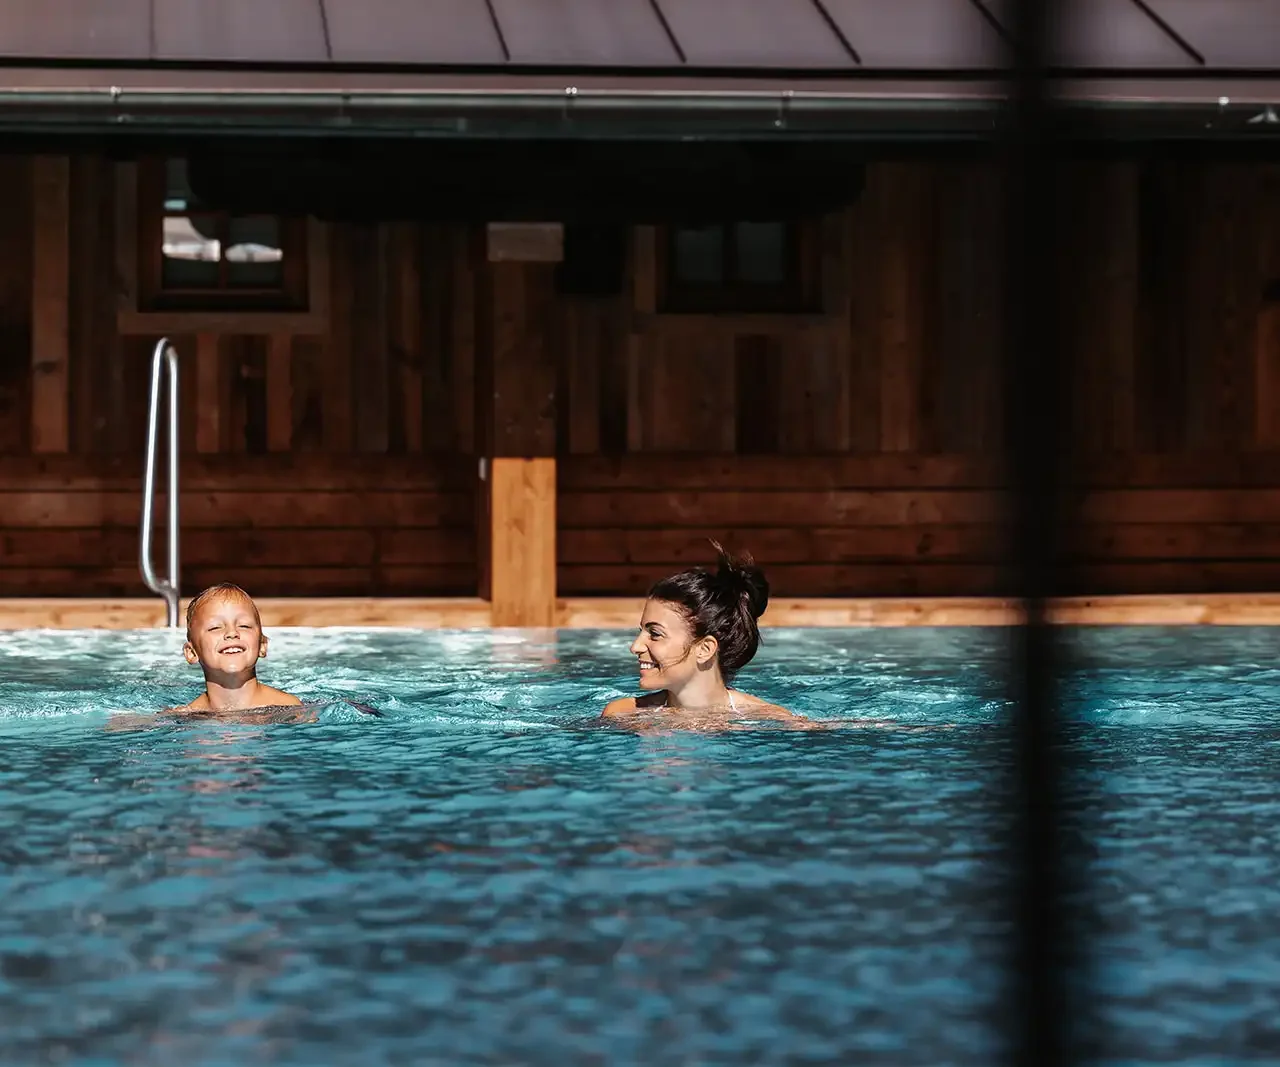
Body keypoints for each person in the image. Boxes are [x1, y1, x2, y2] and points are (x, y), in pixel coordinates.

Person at [602, 541, 809, 727]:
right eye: (641, 632)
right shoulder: (622, 715)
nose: (635, 647)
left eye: (655, 634)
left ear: (705, 649)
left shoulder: (771, 722)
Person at [174, 582, 304, 717]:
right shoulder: (187, 717)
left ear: (262, 644)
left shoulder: (290, 708)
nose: (232, 633)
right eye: (215, 627)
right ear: (191, 652)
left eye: (244, 626)